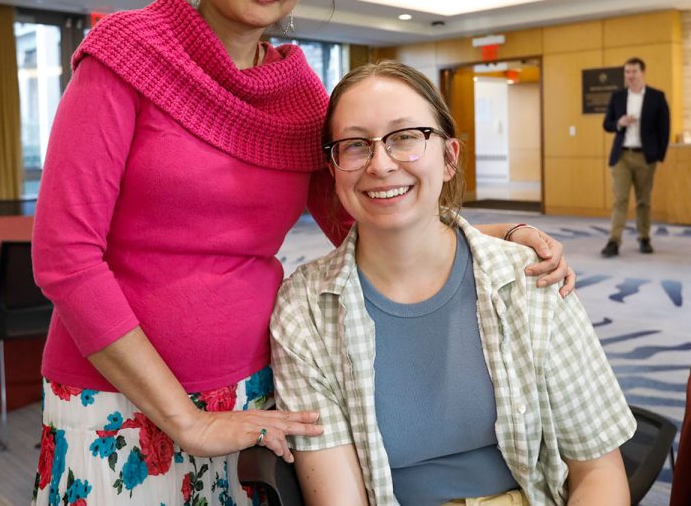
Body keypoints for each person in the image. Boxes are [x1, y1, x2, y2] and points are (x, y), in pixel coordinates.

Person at [30, 0, 573, 506]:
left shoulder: (299, 96)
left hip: (256, 387)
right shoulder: (125, 54)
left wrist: (499, 235)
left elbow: (369, 219)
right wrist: (187, 420)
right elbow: (65, 258)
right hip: (118, 392)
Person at [271, 61, 635, 506]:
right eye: (355, 145)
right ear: (333, 168)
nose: (381, 164)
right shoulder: (305, 308)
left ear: (448, 158)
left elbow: (598, 470)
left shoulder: (529, 279)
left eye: (405, 138)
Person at [601, 58, 670, 257]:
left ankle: (644, 237)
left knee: (643, 201)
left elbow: (664, 128)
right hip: (621, 155)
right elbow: (607, 124)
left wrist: (659, 156)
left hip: (645, 157)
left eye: (633, 71)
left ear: (642, 73)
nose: (630, 76)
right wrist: (619, 123)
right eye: (627, 72)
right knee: (620, 199)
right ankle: (614, 241)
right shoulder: (618, 96)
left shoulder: (657, 97)